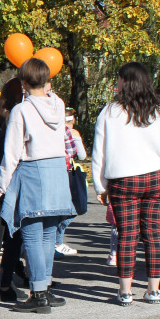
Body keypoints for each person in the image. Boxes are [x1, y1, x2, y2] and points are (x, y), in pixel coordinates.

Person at [0, 58, 75, 313]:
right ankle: (44, 287)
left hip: (33, 173)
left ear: (23, 83)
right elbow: (53, 96)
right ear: (48, 81)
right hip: (58, 172)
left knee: (33, 236)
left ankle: (38, 294)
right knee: (48, 236)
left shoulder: (21, 111)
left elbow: (12, 154)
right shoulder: (58, 106)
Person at [91, 61, 160, 306]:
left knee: (127, 235)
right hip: (156, 176)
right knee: (154, 234)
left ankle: (125, 290)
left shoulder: (111, 112)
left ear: (126, 81)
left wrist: (100, 185)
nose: (117, 82)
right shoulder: (159, 111)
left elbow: (99, 151)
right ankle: (153, 289)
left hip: (123, 180)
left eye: (119, 78)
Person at [0, 79, 26, 301]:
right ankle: (5, 282)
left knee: (13, 233)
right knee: (15, 234)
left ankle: (10, 275)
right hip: (11, 180)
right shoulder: (14, 120)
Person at [54, 108, 87, 256]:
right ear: (72, 120)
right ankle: (57, 242)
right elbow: (81, 155)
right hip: (66, 173)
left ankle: (56, 242)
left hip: (51, 171)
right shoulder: (71, 133)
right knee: (72, 209)